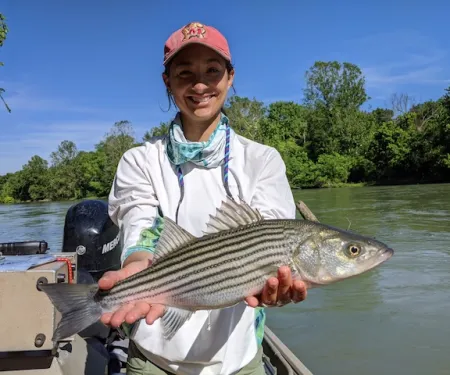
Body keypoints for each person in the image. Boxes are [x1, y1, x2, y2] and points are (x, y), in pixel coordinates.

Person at [98, 21, 308, 375]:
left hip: (238, 358)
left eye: (212, 71)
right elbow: (142, 225)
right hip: (152, 353)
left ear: (230, 77)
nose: (200, 85)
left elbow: (274, 245)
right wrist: (136, 262)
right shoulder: (139, 160)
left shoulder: (263, 160)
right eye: (184, 73)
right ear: (167, 81)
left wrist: (281, 285)